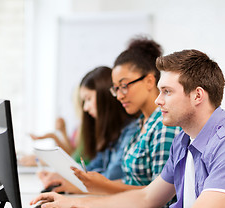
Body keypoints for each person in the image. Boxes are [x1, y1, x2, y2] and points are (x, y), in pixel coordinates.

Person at [30, 49, 225, 208]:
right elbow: (147, 198)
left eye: (167, 91)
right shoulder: (184, 138)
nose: (158, 100)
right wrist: (74, 204)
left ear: (198, 95)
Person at [67, 36, 181, 197]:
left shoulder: (165, 126)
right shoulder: (140, 125)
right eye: (116, 89)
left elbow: (160, 196)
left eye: (124, 86)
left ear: (149, 81)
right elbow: (130, 182)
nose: (119, 96)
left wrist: (104, 185)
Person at [36, 66, 139, 193]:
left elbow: (111, 177)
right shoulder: (111, 133)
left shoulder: (131, 130)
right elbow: (93, 167)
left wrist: (73, 184)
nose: (85, 108)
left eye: (88, 99)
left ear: (105, 97)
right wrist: (64, 177)